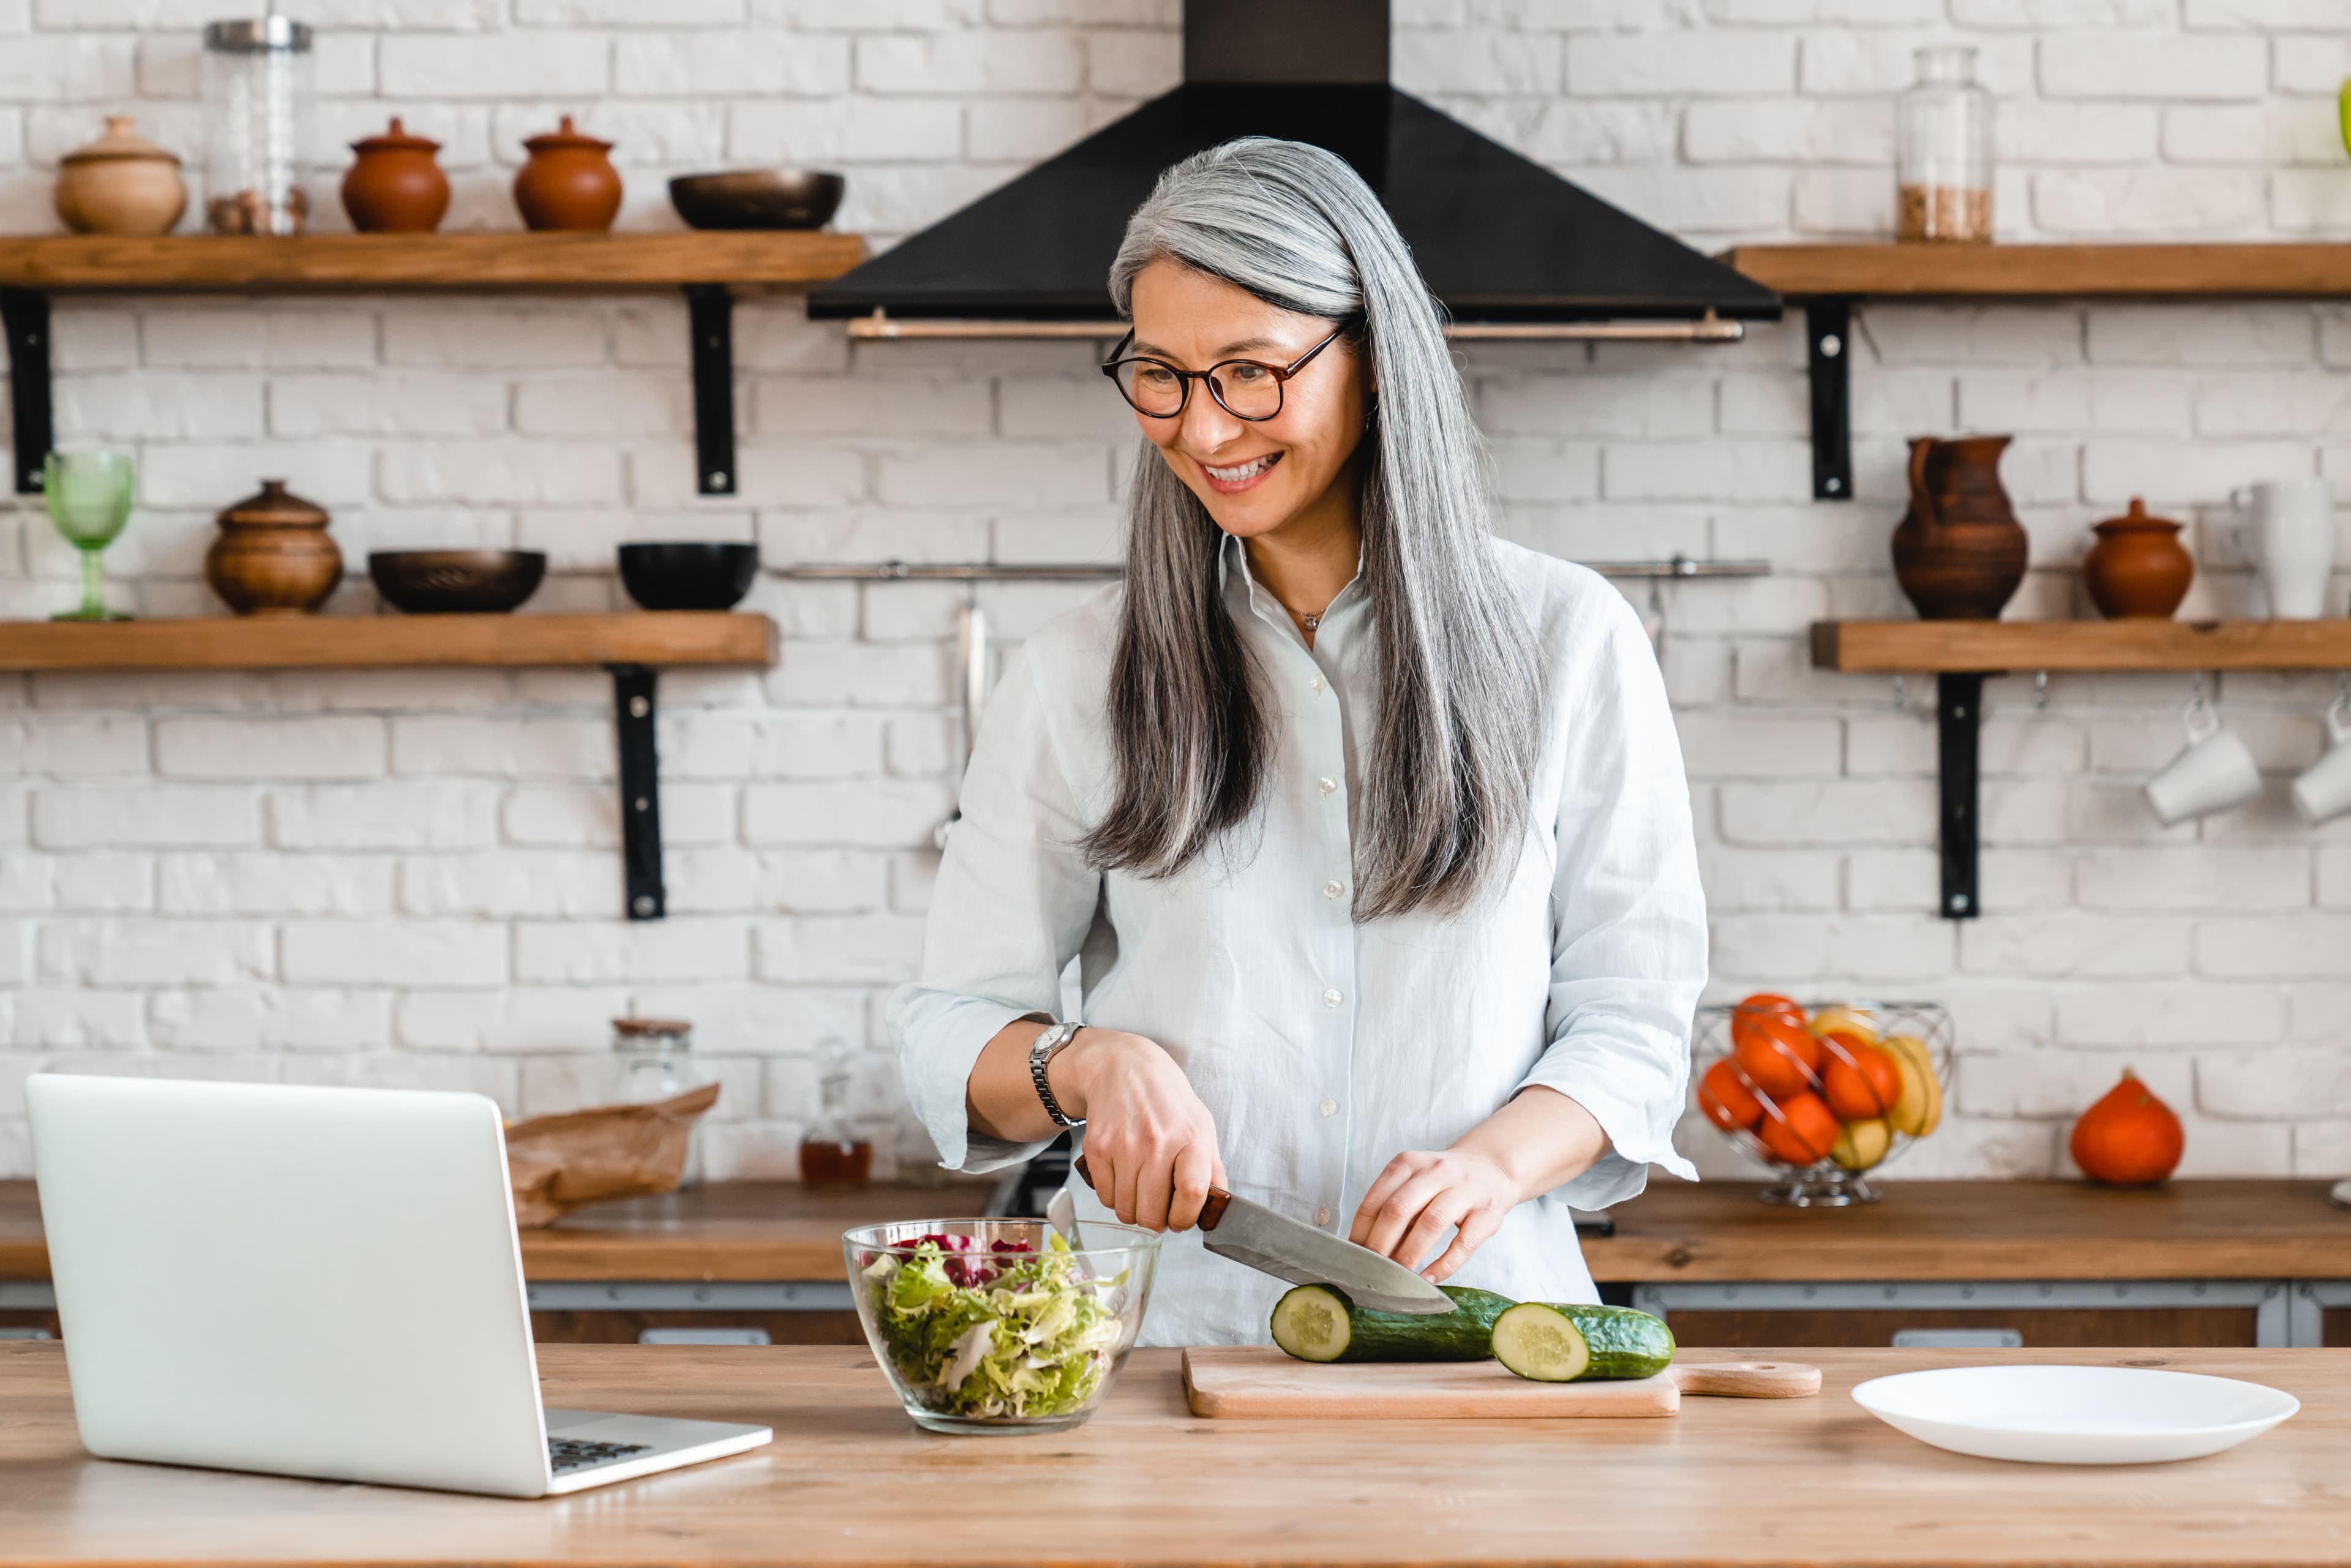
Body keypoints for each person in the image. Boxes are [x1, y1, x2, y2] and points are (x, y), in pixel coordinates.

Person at [890, 137, 1704, 1347]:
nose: (1205, 428)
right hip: (1162, 1347)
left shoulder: (1569, 640)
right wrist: (1089, 1065)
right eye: (1161, 373)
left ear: (1371, 356)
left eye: (1250, 373)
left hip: (1475, 1342)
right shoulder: (1076, 671)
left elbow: (1634, 1026)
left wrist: (1487, 1168)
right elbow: (950, 1030)